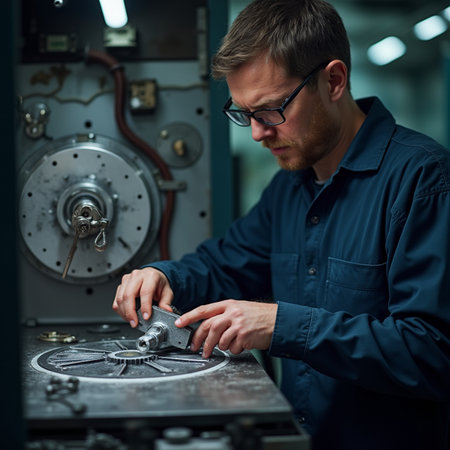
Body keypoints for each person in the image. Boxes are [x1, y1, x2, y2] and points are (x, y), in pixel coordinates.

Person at [113, 0, 450, 448]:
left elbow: (431, 352)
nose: (256, 133)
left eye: (270, 110)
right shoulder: (290, 186)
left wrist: (282, 326)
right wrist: (164, 275)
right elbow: (226, 264)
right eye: (243, 113)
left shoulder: (423, 182)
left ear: (333, 81)